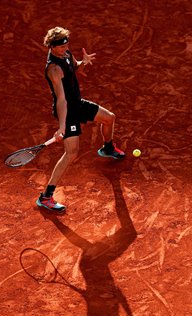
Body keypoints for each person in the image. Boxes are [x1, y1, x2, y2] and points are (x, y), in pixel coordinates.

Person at [36, 26, 125, 213]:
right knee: (71, 153)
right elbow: (60, 99)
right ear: (51, 46)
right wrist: (61, 127)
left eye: (66, 45)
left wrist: (82, 62)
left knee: (109, 118)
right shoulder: (53, 69)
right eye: (60, 47)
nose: (64, 49)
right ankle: (46, 196)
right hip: (67, 112)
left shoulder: (66, 52)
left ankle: (108, 148)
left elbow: (73, 67)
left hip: (77, 104)